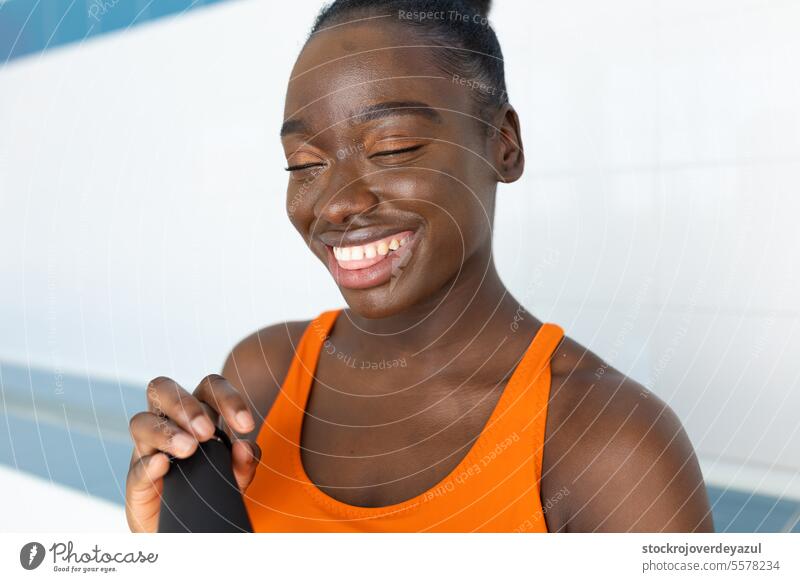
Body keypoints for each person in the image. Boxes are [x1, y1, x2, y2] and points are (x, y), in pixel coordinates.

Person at [126, 0, 714, 532]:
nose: (334, 202)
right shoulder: (263, 379)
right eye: (303, 164)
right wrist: (164, 541)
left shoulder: (607, 442)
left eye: (392, 149)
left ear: (503, 143)